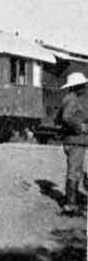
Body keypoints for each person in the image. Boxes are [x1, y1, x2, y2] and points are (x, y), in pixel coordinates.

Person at [55, 72, 88, 216]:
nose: (85, 88)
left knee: (75, 171)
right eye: (83, 85)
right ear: (77, 86)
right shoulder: (73, 99)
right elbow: (66, 117)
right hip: (75, 141)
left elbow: (59, 118)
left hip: (74, 141)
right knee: (74, 172)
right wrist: (80, 127)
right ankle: (70, 205)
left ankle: (71, 202)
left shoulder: (69, 98)